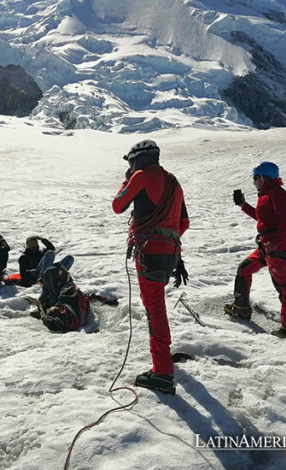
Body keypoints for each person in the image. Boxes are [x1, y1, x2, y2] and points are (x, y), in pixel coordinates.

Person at [112, 140, 190, 395]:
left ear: (137, 160)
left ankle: (162, 372)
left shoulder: (141, 176)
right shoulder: (173, 181)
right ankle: (163, 361)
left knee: (154, 309)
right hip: (170, 253)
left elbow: (118, 205)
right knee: (157, 306)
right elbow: (184, 222)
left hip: (149, 252)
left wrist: (129, 180)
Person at [224, 161, 286, 340]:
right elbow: (263, 219)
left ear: (264, 177)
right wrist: (243, 205)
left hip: (275, 248)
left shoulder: (277, 194)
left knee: (283, 287)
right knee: (244, 269)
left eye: (255, 177)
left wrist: (275, 242)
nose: (253, 181)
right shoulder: (267, 194)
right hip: (266, 246)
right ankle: (241, 308)